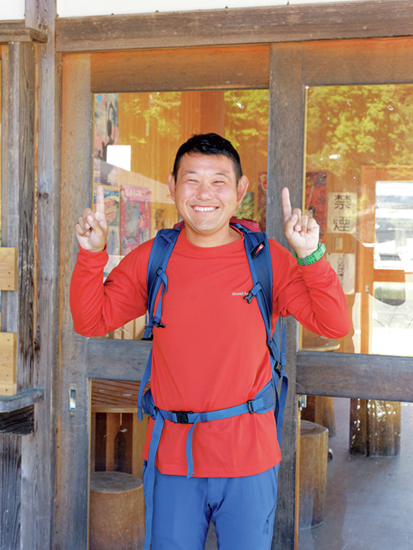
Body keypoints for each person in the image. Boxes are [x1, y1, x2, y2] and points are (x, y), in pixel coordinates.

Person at [71, 133, 350, 550]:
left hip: (249, 457)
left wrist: (311, 257)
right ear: (172, 185)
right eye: (192, 180)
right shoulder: (155, 258)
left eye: (218, 181)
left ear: (239, 191)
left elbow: (333, 324)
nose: (204, 194)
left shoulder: (267, 259)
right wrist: (92, 255)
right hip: (172, 460)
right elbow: (91, 319)